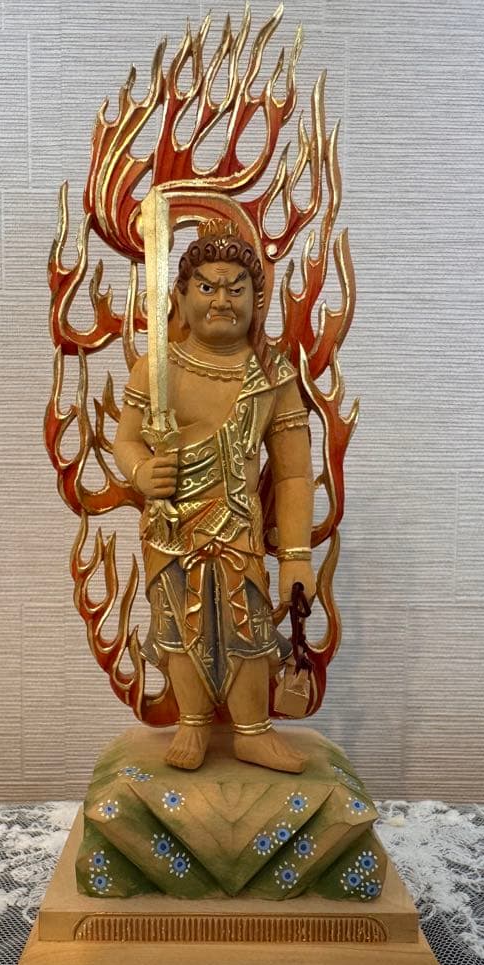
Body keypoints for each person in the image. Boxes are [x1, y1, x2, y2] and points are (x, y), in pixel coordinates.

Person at [113, 220, 316, 773]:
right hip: (172, 527)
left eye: (235, 289)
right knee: (180, 624)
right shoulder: (157, 368)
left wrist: (296, 555)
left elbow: (294, 475)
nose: (221, 301)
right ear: (180, 298)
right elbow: (125, 440)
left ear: (257, 300)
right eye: (206, 287)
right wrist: (141, 471)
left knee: (247, 625)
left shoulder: (272, 375)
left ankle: (252, 729)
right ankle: (193, 720)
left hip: (239, 527)